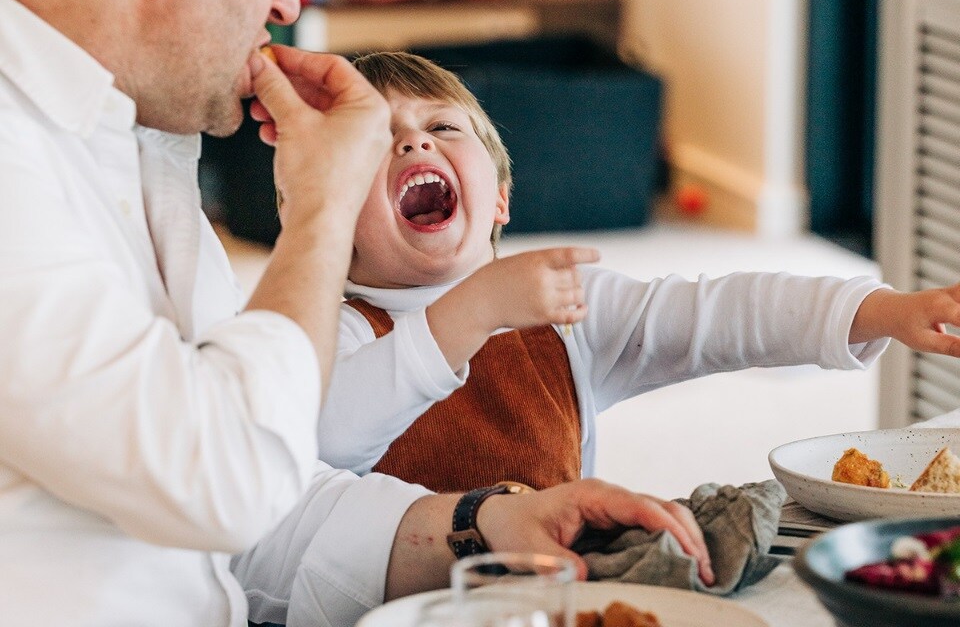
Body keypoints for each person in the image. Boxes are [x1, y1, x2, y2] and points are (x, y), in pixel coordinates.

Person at [0, 0, 715, 626]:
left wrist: (484, 525)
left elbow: (260, 515)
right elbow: (229, 479)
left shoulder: (138, 143)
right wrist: (321, 209)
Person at [315, 50, 960, 494]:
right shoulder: (328, 337)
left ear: (501, 198)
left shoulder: (563, 307)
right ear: (329, 221)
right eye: (376, 140)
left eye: (441, 126)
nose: (414, 142)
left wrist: (883, 310)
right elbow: (330, 436)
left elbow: (725, 314)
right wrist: (474, 308)